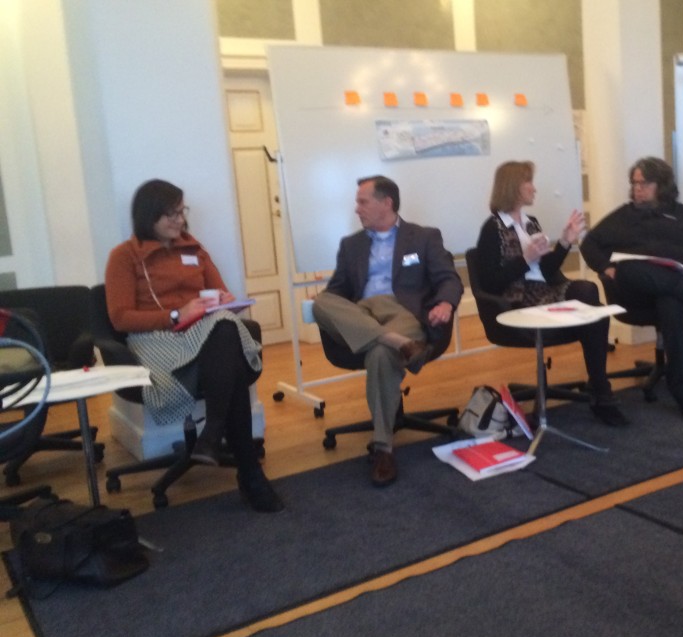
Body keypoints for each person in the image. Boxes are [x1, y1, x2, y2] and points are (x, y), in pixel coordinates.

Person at [105, 179, 283, 513]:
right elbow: (120, 318)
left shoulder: (194, 249)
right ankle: (249, 473)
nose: (180, 220)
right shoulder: (124, 256)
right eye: (171, 214)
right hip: (157, 338)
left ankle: (213, 433)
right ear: (149, 215)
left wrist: (225, 301)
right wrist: (175, 315)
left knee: (225, 325)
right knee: (231, 359)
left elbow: (221, 293)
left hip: (204, 333)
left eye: (181, 212)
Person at [313, 175, 463, 486]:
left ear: (386, 203)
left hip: (403, 311)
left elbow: (449, 278)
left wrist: (446, 304)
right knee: (321, 303)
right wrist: (335, 309)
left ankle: (383, 448)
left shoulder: (423, 237)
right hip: (363, 312)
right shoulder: (351, 245)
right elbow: (336, 293)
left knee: (380, 355)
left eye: (362, 202)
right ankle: (398, 343)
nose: (357, 208)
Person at [581, 157, 683, 420]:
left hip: (680, 288)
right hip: (638, 293)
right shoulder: (624, 216)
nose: (638, 189)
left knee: (670, 300)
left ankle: (682, 388)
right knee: (629, 269)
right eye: (635, 183)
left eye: (644, 183)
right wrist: (606, 268)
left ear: (662, 185)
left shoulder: (681, 214)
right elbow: (589, 244)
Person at [476, 160, 628, 427]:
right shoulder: (492, 228)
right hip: (517, 301)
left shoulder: (531, 223)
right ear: (513, 186)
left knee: (588, 291)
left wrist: (565, 241)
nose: (534, 189)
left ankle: (600, 387)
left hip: (544, 291)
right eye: (529, 182)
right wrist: (525, 259)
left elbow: (547, 271)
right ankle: (601, 393)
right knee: (594, 315)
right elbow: (490, 283)